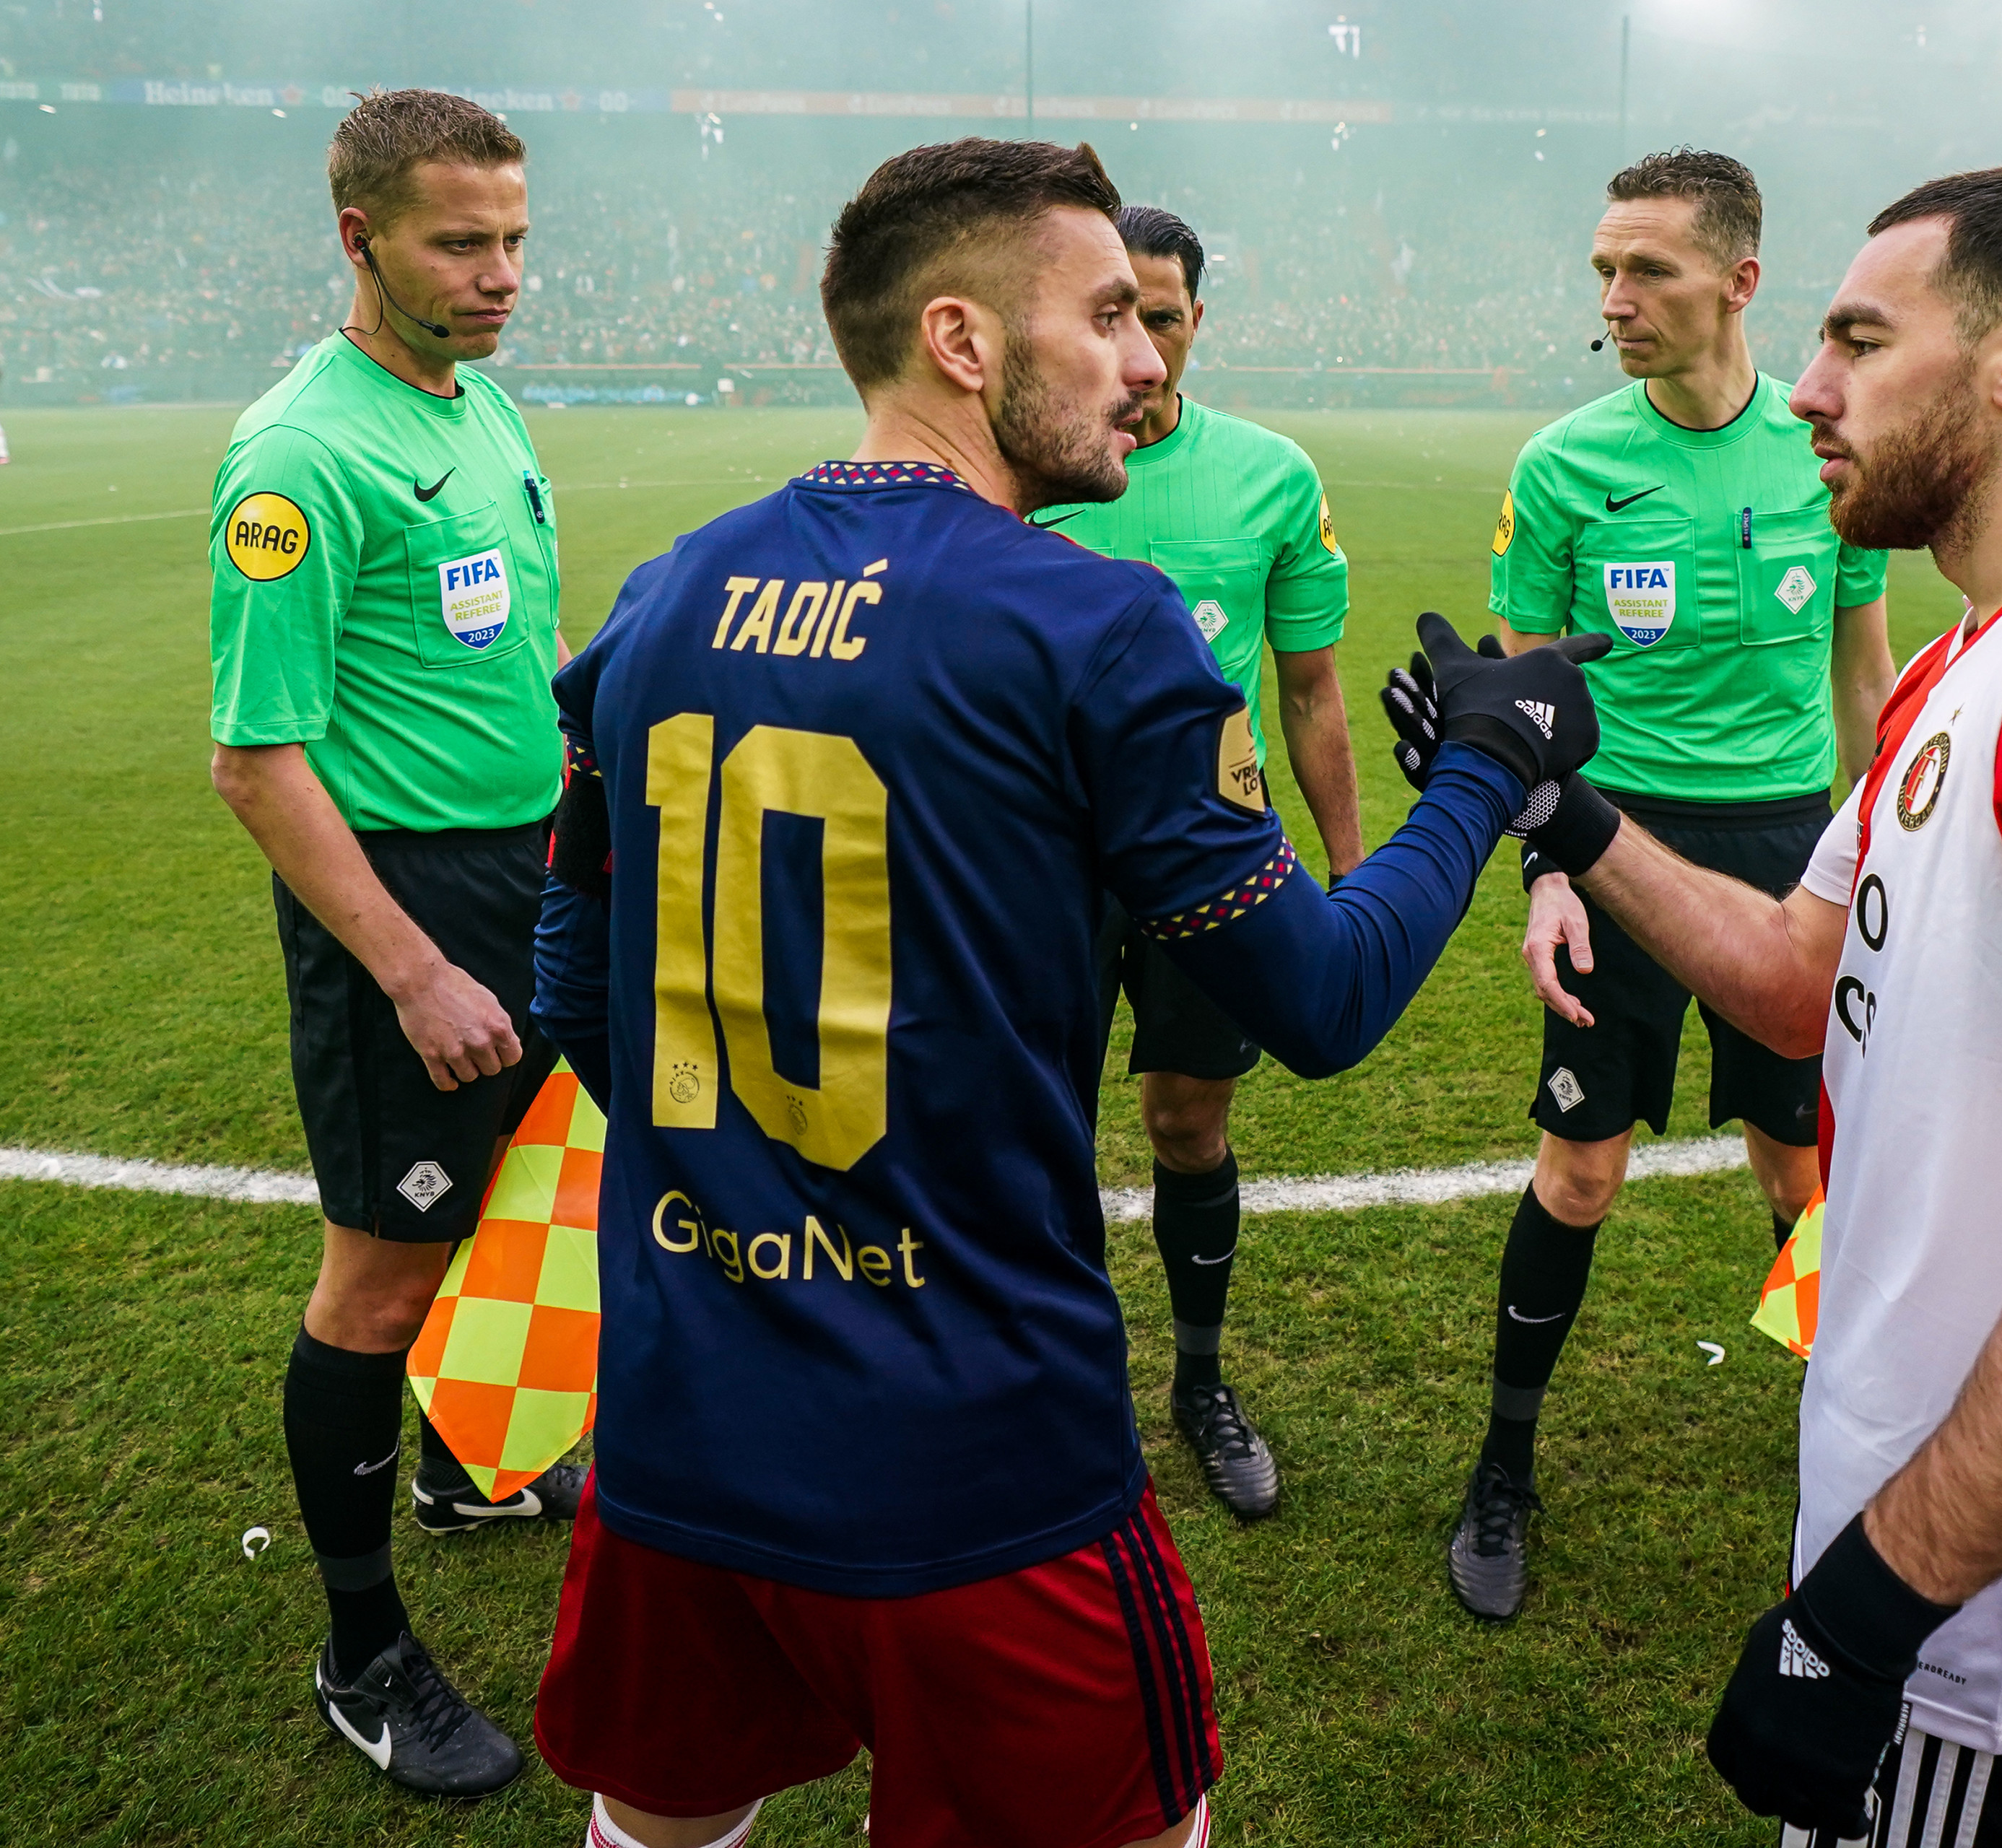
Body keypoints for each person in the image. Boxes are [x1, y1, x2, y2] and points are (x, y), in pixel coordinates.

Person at [523, 138, 1607, 1848]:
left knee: (659, 1824)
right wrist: (1486, 764)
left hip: (683, 1412)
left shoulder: (661, 599)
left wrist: (748, 1180)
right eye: (1107, 316)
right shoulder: (1093, 628)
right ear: (962, 340)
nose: (1150, 357)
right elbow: (1318, 1001)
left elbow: (574, 978)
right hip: (974, 1450)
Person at [1384, 164, 2002, 1847]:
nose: (1811, 388)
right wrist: (1561, 810)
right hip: (1922, 1530)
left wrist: (1867, 1613)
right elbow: (1789, 969)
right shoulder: (1974, 655)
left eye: (1858, 339)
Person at [1443, 148, 1896, 1621]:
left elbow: (1866, 669)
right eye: (1603, 272)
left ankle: (1839, 1432)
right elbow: (1518, 702)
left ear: (1741, 284)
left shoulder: (1824, 450)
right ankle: (1503, 1461)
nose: (1616, 299)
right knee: (1583, 1169)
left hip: (1790, 847)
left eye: (1647, 271)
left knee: (1798, 1170)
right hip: (1615, 843)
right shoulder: (1567, 462)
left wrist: (1895, 846)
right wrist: (1544, 872)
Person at [205, 89, 581, 1799]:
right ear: (358, 237)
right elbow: (258, 760)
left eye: (511, 235)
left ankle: (464, 1467)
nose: (501, 272)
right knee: (379, 1273)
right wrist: (412, 967)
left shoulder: (479, 402)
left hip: (524, 882)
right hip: (400, 911)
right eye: (460, 241)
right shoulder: (301, 455)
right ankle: (359, 1644)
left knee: (516, 1200)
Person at [1036, 204, 1364, 1522]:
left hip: (1210, 851)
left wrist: (1347, 878)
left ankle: (1202, 1383)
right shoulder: (1026, 467)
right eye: (1117, 321)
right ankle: (1055, 1393)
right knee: (1032, 1130)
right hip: (1041, 861)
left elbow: (1314, 694)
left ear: (1193, 319)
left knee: (1189, 1121)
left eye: (1162, 320)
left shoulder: (1274, 475)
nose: (1146, 356)